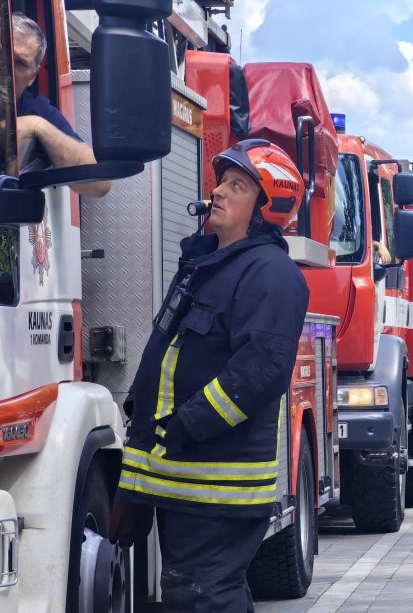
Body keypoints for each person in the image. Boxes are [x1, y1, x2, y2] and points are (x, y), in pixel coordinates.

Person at [109, 140, 309, 612]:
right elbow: (162, 370)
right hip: (187, 485)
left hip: (218, 491)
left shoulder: (270, 273)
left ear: (264, 209)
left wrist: (185, 428)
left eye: (237, 186)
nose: (218, 192)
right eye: (222, 181)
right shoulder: (205, 267)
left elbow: (258, 374)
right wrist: (136, 486)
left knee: (203, 600)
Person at [12, 12, 109, 197]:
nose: (4, 66)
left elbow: (99, 184)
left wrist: (38, 127)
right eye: (2, 52)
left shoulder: (36, 111)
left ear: (33, 76)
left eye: (19, 63)